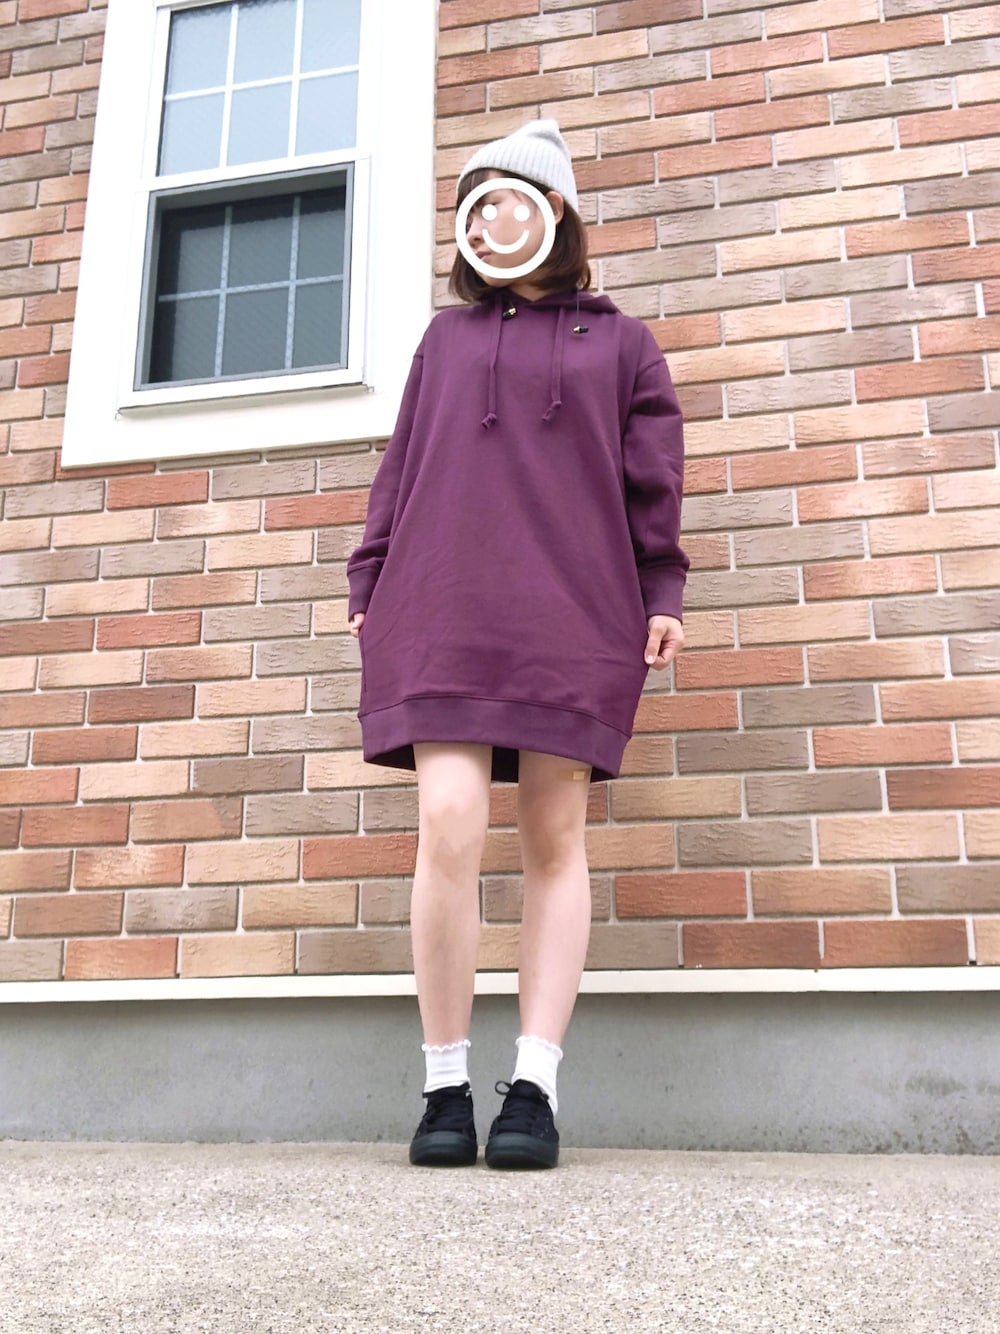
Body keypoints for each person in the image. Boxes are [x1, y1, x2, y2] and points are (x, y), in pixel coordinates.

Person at [346, 120, 688, 1170]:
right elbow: (402, 464)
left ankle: (533, 1086)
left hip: (576, 610)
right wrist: (368, 574)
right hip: (440, 601)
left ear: (557, 213)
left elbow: (652, 486)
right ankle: (443, 1083)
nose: (494, 217)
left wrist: (663, 589)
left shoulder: (624, 345)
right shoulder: (445, 341)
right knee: (448, 819)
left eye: (513, 198)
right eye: (477, 203)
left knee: (553, 833)